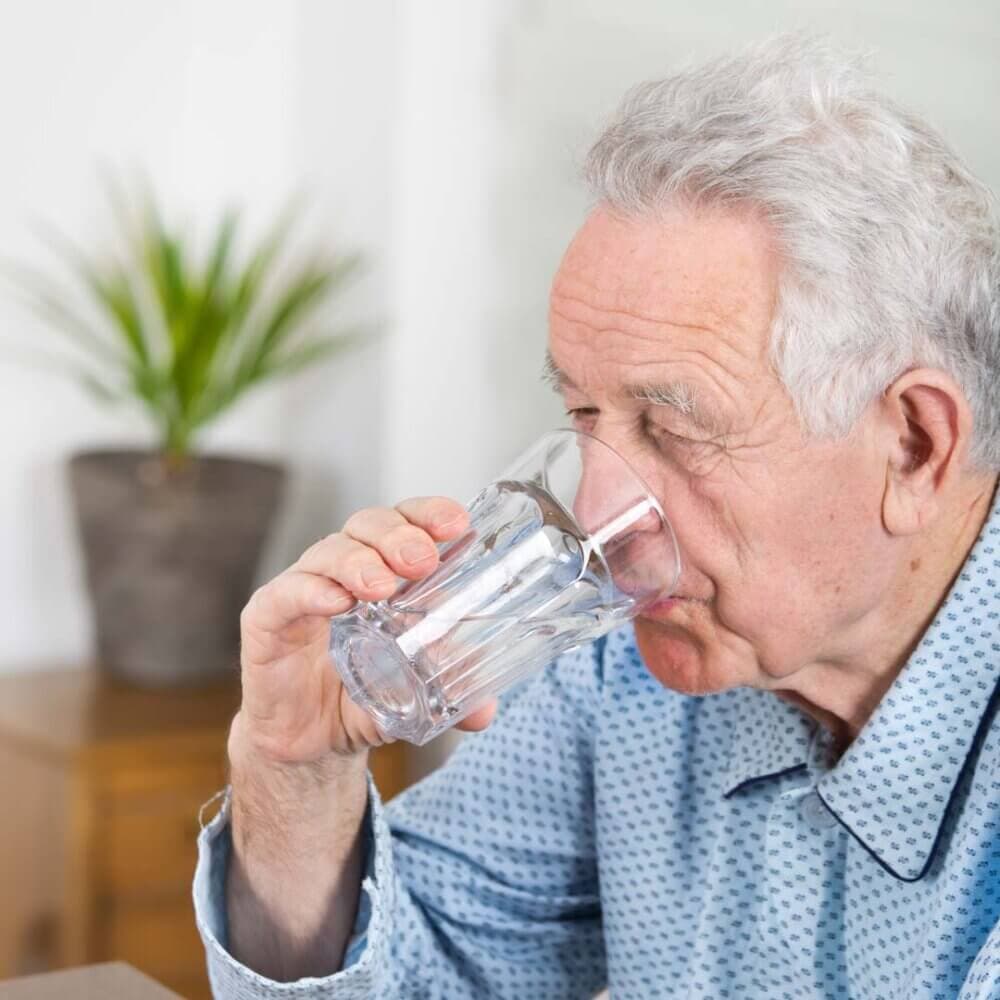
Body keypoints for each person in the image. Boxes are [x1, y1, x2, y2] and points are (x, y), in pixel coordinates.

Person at [194, 34, 1000, 999]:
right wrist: (295, 773)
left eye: (672, 428)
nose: (597, 511)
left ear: (913, 444)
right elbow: (415, 970)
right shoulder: (625, 674)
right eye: (585, 417)